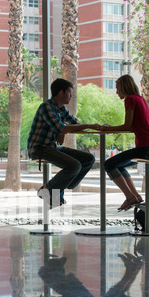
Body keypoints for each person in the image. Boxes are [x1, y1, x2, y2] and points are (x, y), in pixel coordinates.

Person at [27, 78, 98, 208]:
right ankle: (47, 189)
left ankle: (63, 186)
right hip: (39, 148)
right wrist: (63, 130)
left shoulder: (61, 110)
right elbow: (61, 127)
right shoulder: (46, 107)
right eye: (69, 92)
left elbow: (74, 124)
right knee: (75, 166)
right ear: (61, 93)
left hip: (52, 147)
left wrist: (63, 130)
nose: (71, 96)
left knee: (88, 159)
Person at [102, 74, 149, 212]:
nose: (117, 92)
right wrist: (112, 128)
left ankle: (130, 197)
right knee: (119, 166)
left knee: (108, 164)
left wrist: (107, 128)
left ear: (124, 87)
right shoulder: (140, 99)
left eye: (117, 88)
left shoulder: (130, 99)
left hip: (146, 149)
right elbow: (135, 125)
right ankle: (136, 196)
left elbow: (127, 126)